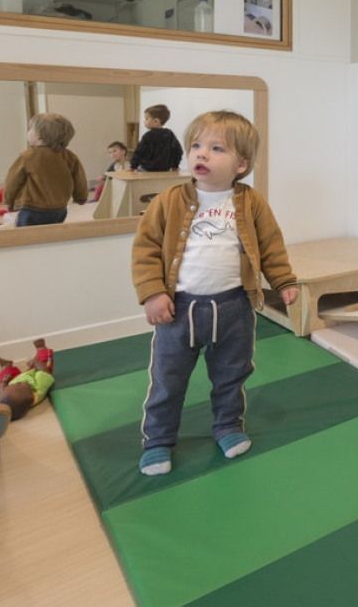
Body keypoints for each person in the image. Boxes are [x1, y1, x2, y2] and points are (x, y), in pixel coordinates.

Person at [131, 110, 299, 476]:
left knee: (231, 374)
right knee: (168, 378)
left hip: (234, 307)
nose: (201, 154)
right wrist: (152, 293)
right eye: (196, 145)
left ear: (241, 164)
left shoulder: (251, 203)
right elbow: (145, 249)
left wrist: (284, 281)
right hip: (180, 309)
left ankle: (227, 425)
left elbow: (271, 245)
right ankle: (158, 439)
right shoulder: (169, 200)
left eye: (216, 148)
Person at [3, 112, 89, 227]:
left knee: (25, 236)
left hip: (32, 209)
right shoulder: (69, 156)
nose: (28, 132)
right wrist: (81, 197)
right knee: (51, 234)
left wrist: (8, 200)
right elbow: (79, 179)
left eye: (30, 129)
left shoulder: (28, 156)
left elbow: (12, 180)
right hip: (59, 209)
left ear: (39, 135)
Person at [0, 339, 55, 421]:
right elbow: (45, 372)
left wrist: (4, 382)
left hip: (20, 376)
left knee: (5, 376)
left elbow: (3, 391)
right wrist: (35, 362)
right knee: (45, 362)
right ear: (31, 395)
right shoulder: (38, 388)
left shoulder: (13, 393)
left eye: (11, 386)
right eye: (19, 384)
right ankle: (42, 349)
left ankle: (6, 366)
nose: (17, 383)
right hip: (36, 372)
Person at [129, 104, 183, 171]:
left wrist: (133, 166)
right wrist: (175, 165)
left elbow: (139, 152)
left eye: (146, 119)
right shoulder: (170, 134)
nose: (144, 121)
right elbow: (178, 151)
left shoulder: (148, 136)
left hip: (147, 170)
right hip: (165, 170)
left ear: (156, 121)